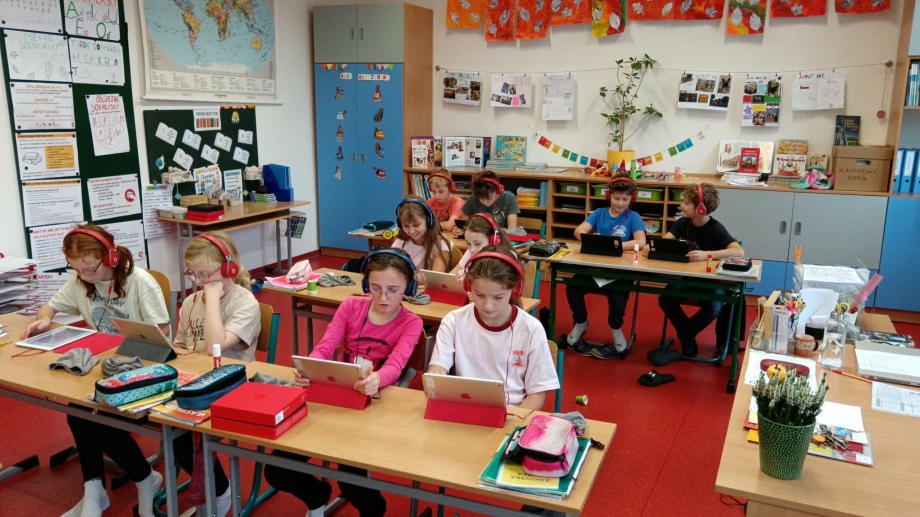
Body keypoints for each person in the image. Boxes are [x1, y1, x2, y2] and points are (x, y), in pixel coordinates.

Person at [20, 225, 168, 517]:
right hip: (104, 367)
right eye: (77, 269)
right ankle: (94, 489)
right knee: (76, 410)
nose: (84, 276)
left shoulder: (140, 282)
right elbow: (48, 308)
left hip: (143, 365)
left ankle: (144, 478)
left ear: (111, 257)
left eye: (90, 269)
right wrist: (44, 319)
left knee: (97, 418)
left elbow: (161, 332)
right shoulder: (80, 282)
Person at [264, 249, 423, 517]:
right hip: (333, 398)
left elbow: (396, 366)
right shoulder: (350, 306)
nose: (383, 297)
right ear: (366, 284)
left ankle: (375, 508)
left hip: (372, 406)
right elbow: (325, 347)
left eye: (393, 290)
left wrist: (377, 379)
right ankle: (317, 496)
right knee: (277, 471)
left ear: (409, 288)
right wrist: (309, 367)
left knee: (352, 485)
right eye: (375, 288)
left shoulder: (412, 322)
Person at [173, 231, 261, 517]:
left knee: (178, 430)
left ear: (229, 268)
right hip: (194, 382)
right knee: (166, 426)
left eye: (206, 274)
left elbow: (215, 348)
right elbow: (181, 346)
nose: (200, 282)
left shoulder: (245, 303)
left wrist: (211, 299)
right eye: (194, 274)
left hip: (231, 387)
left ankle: (220, 490)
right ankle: (215, 487)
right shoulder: (191, 303)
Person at [428, 248, 559, 411]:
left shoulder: (531, 329)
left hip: (513, 413)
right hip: (465, 408)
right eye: (479, 295)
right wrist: (436, 375)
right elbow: (437, 369)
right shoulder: (453, 321)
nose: (488, 306)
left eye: (498, 297)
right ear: (468, 286)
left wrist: (515, 420)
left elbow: (537, 394)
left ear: (515, 290)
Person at [649, 183, 744, 357]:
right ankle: (688, 335)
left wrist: (707, 255)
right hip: (688, 280)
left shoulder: (716, 228)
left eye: (686, 203)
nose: (682, 206)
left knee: (714, 306)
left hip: (711, 283)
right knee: (666, 298)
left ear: (701, 209)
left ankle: (686, 334)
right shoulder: (682, 223)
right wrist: (652, 247)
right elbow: (665, 241)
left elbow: (739, 251)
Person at [566, 176, 647, 360]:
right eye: (616, 198)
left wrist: (613, 245)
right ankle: (581, 322)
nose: (620, 203)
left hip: (619, 272)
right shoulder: (599, 213)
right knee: (572, 287)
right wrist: (593, 240)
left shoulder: (633, 217)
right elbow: (578, 231)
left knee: (618, 296)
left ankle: (616, 328)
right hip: (595, 268)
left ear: (632, 198)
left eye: (625, 199)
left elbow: (641, 241)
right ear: (609, 196)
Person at [391, 196, 452, 272]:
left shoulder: (440, 243)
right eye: (406, 226)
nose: (411, 231)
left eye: (416, 225)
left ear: (429, 221)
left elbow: (435, 276)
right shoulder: (400, 242)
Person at [450, 213, 514, 279]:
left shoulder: (507, 260)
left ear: (494, 240)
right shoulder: (472, 251)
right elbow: (451, 275)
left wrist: (470, 276)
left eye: (477, 244)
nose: (472, 249)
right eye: (468, 243)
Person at [454, 170, 519, 234]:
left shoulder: (509, 198)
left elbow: (512, 230)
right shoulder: (474, 198)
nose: (484, 202)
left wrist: (482, 230)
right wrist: (459, 230)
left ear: (498, 191)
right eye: (480, 198)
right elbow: (463, 224)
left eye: (488, 199)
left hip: (500, 239)